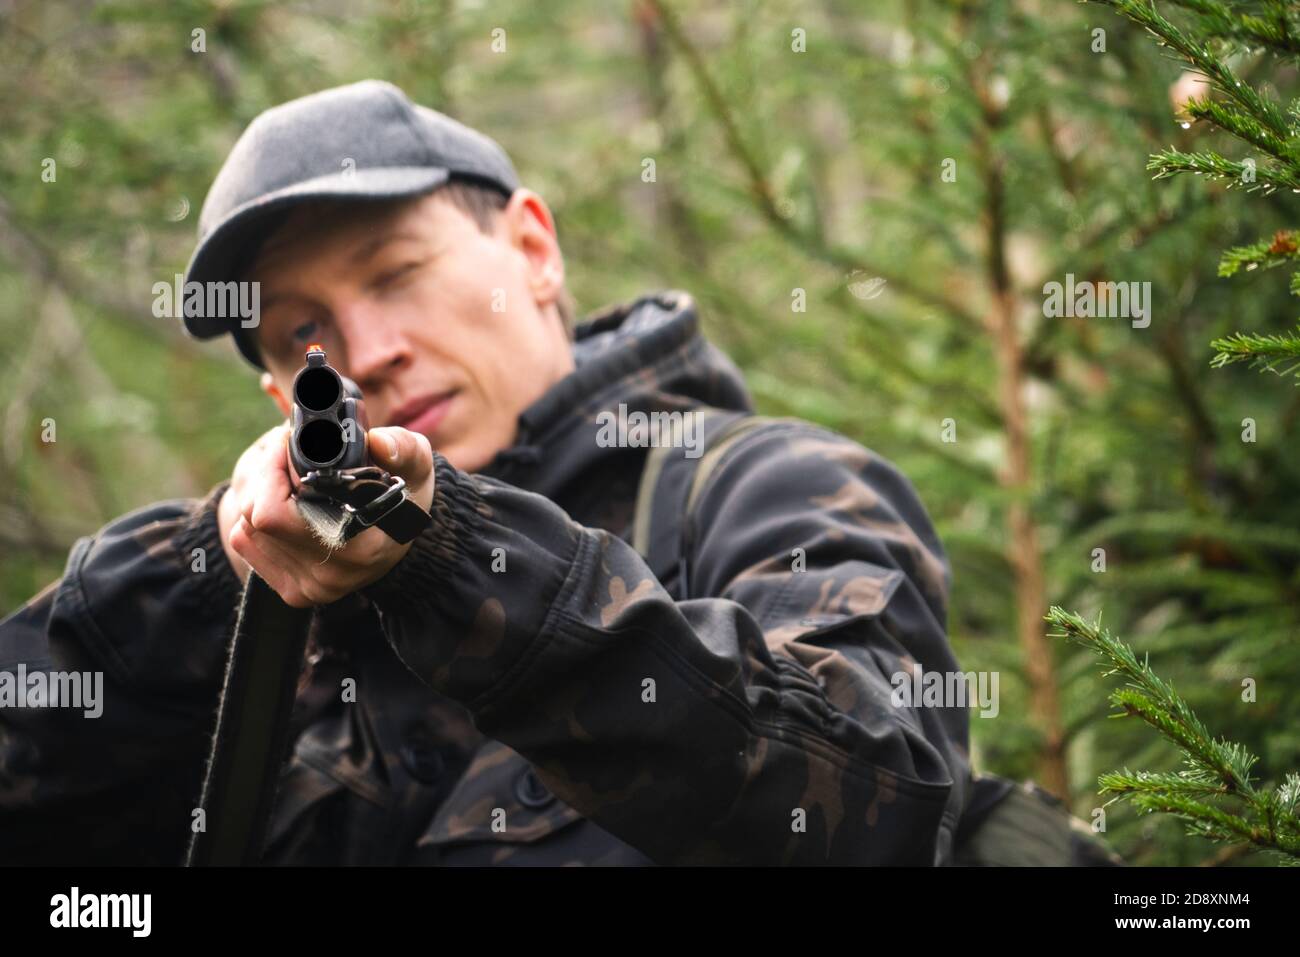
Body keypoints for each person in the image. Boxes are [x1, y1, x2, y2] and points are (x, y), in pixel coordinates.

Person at [0, 79, 972, 865]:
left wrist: (458, 561)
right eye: (303, 334)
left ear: (533, 249)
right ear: (280, 401)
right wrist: (206, 575)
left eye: (394, 273)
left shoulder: (766, 489)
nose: (365, 352)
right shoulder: (287, 637)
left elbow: (881, 808)